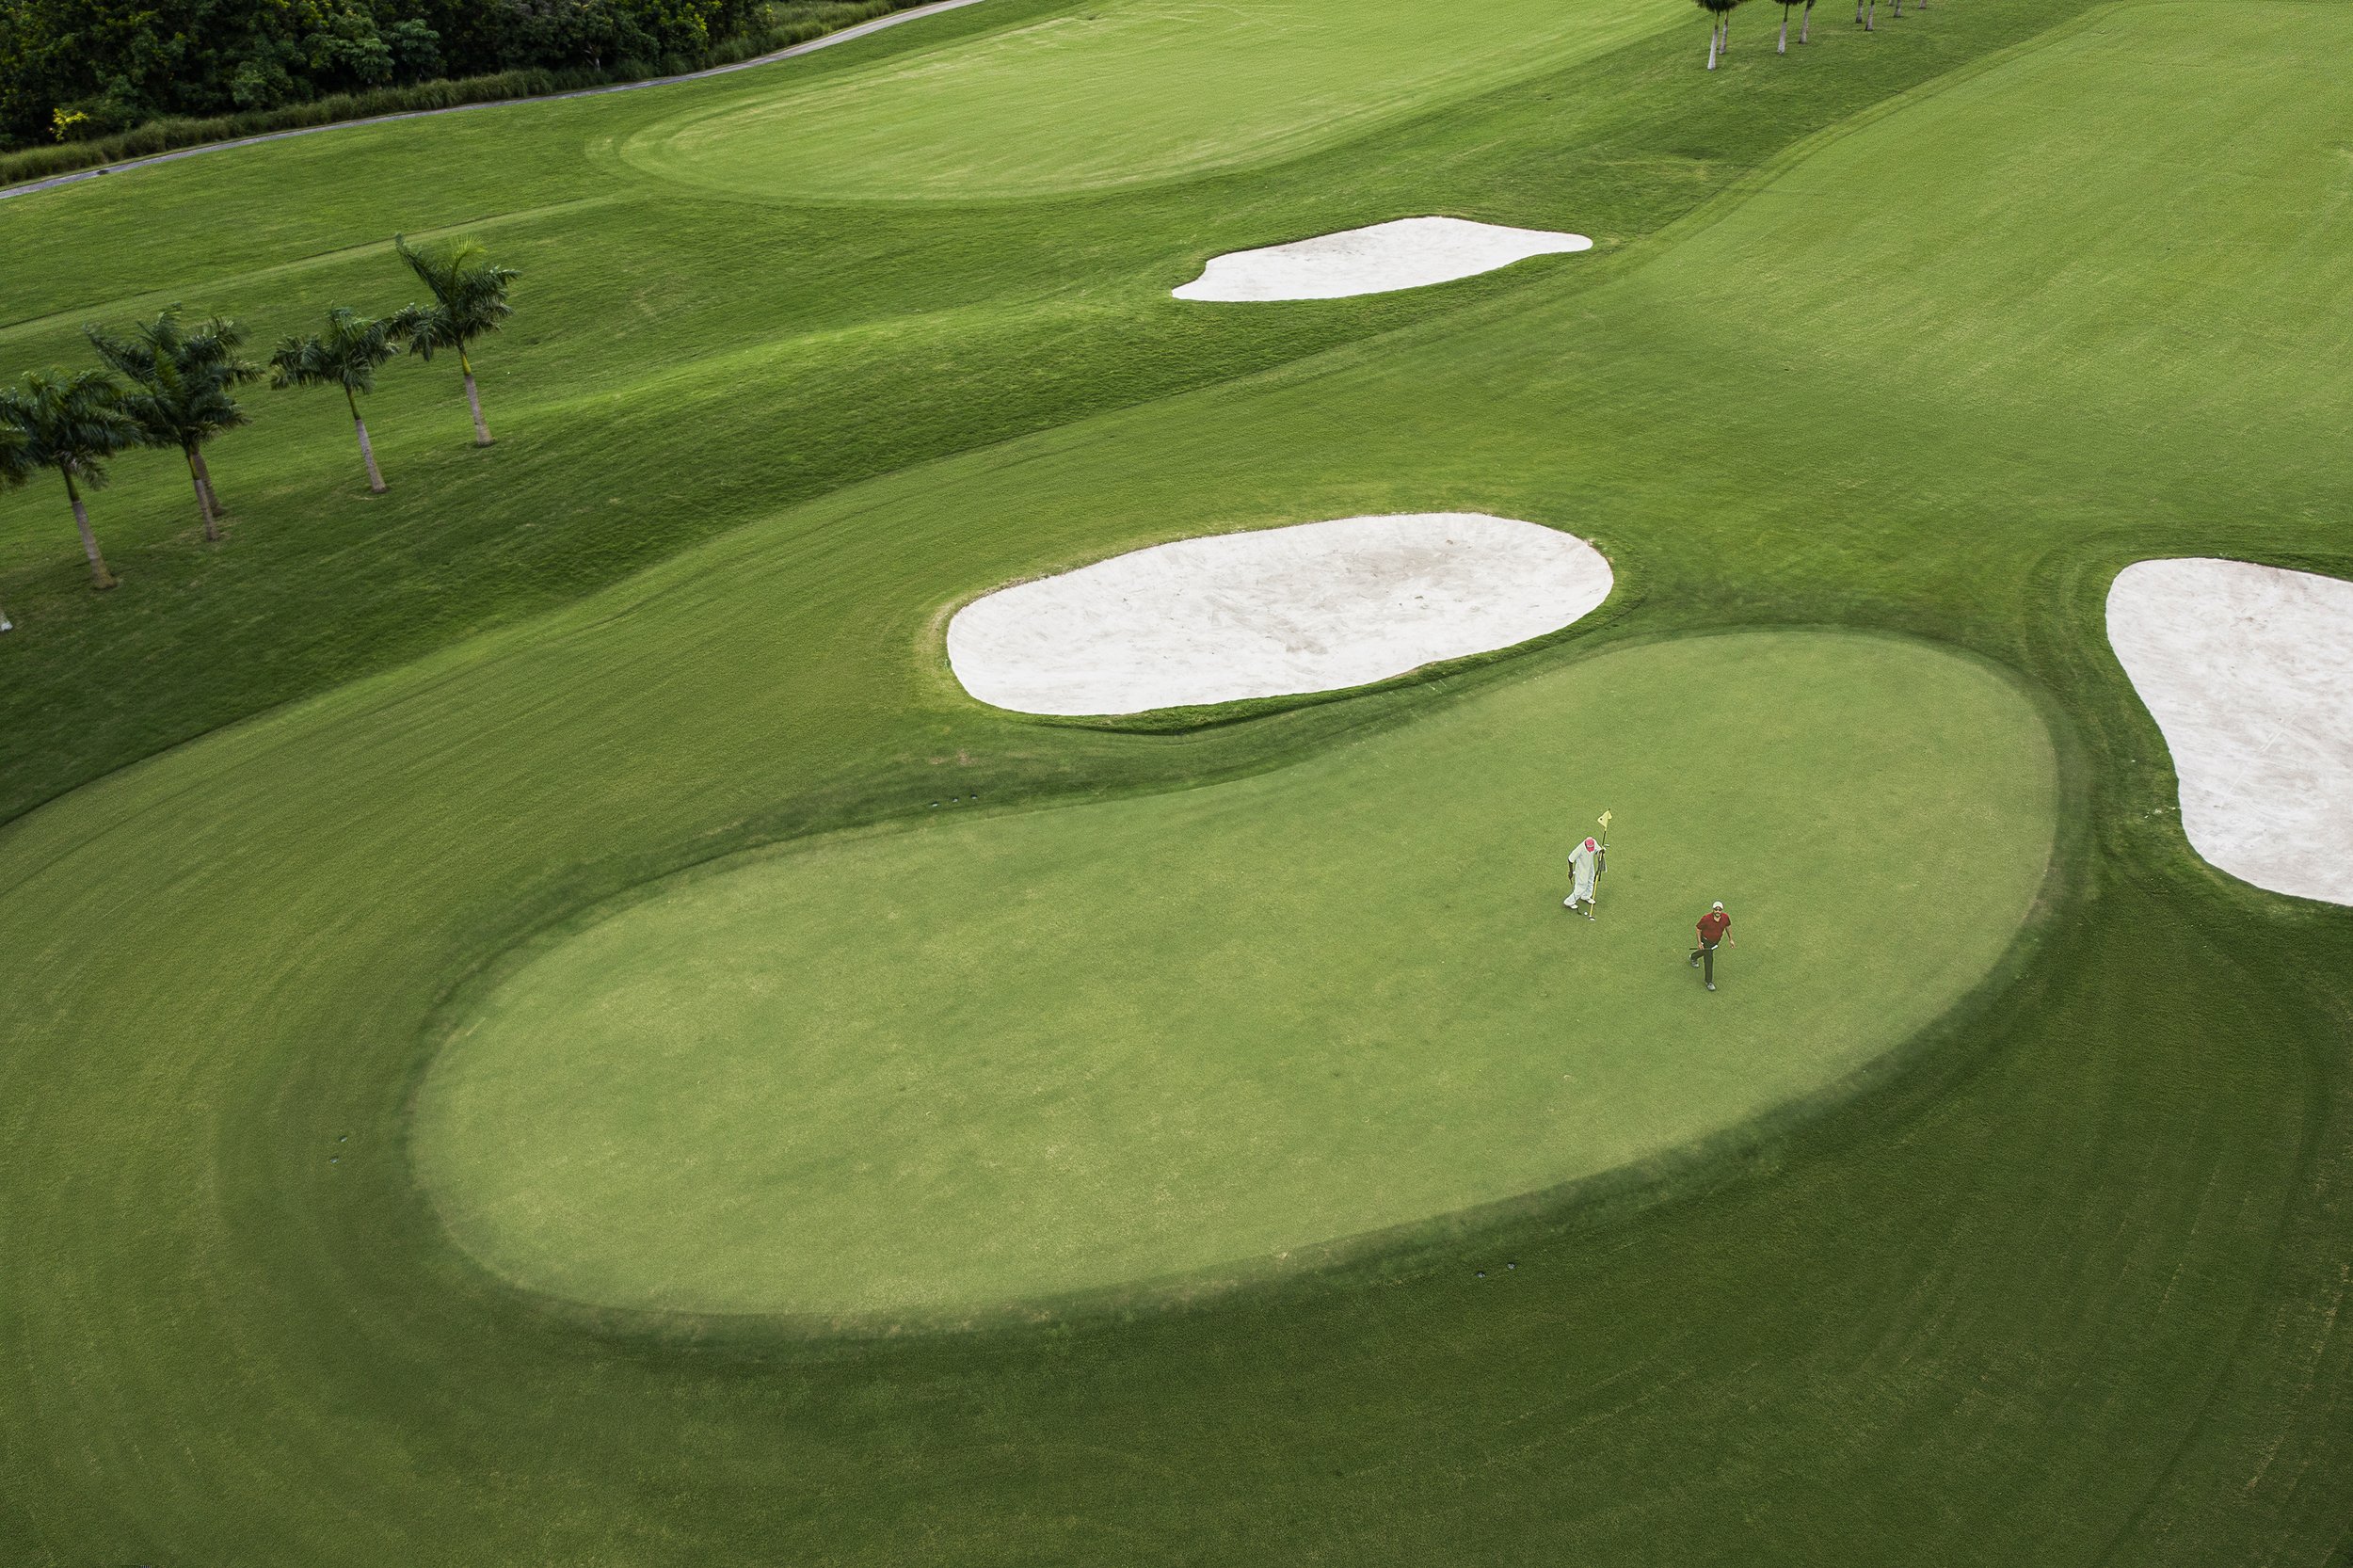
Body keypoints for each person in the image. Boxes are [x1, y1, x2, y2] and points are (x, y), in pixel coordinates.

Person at [1689, 901, 1733, 990]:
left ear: (1722, 910)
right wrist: (1699, 942)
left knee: (1705, 951)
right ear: (1713, 910)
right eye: (1716, 909)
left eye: (1719, 910)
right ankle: (1708, 981)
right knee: (1709, 959)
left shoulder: (1725, 918)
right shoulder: (1706, 918)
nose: (1717, 911)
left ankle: (1693, 957)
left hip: (1716, 941)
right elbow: (1698, 929)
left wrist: (1730, 939)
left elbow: (1728, 926)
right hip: (1706, 940)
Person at [1564, 836, 1604, 920]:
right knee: (1582, 886)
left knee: (1590, 881)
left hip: (1590, 867)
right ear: (1585, 845)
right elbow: (1570, 859)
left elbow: (1597, 851)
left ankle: (1586, 896)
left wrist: (1601, 851)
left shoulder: (1593, 842)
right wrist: (1571, 872)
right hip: (1581, 870)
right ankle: (1569, 902)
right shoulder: (1580, 848)